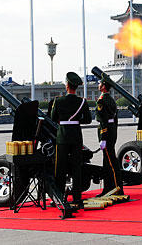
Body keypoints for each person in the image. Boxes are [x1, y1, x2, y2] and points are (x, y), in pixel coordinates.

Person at [49, 72, 92, 209]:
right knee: (76, 168)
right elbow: (88, 120)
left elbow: (53, 117)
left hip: (62, 137)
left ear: (67, 85)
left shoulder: (59, 101)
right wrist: (76, 120)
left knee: (60, 168)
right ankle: (77, 199)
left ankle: (60, 197)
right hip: (76, 137)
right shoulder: (82, 102)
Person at [96, 76, 123, 196]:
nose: (98, 85)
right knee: (107, 162)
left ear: (103, 87)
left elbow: (103, 121)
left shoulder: (101, 101)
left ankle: (118, 187)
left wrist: (103, 138)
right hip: (112, 132)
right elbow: (114, 120)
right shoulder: (112, 100)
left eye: (99, 84)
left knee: (111, 162)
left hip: (106, 134)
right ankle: (108, 189)